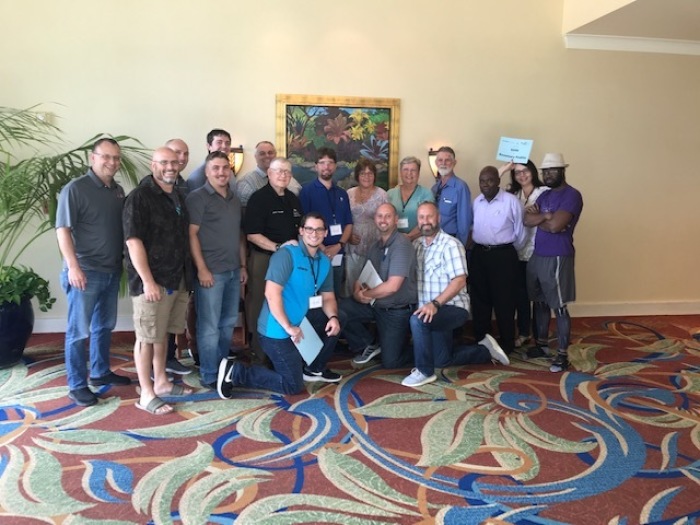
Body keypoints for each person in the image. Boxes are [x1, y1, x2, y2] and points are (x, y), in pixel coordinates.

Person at [216, 213, 342, 397]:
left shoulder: (324, 261)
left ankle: (311, 367)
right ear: (301, 231)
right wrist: (288, 327)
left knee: (340, 317)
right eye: (309, 229)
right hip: (275, 330)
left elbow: (328, 297)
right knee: (292, 385)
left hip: (299, 325)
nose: (314, 234)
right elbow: (271, 294)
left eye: (319, 230)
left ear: (325, 233)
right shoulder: (286, 255)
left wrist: (333, 317)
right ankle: (235, 372)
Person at [55, 138, 130, 407]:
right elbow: (62, 230)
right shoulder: (75, 189)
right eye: (106, 157)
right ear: (92, 157)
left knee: (104, 326)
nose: (111, 162)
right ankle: (77, 385)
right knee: (78, 332)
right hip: (84, 272)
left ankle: (99, 372)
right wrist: (73, 267)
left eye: (116, 158)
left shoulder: (118, 190)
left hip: (110, 270)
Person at [401, 202, 509, 388]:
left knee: (417, 320)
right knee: (442, 360)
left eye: (429, 216)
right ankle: (484, 350)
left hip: (451, 308)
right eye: (421, 217)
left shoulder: (451, 244)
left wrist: (435, 304)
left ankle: (424, 372)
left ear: (439, 218)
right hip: (430, 311)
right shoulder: (417, 245)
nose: (425, 221)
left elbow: (459, 281)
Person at [123, 147, 194, 415]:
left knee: (162, 333)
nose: (170, 167)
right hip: (152, 282)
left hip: (176, 278)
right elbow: (133, 241)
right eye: (164, 162)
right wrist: (148, 281)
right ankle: (147, 393)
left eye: (174, 162)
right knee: (146, 337)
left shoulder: (176, 195)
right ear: (153, 164)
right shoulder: (139, 197)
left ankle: (161, 381)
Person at [185, 151, 247, 389]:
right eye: (216, 168)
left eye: (225, 168)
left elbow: (239, 235)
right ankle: (209, 373)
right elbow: (191, 235)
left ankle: (221, 367)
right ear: (207, 172)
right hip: (211, 272)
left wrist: (242, 265)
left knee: (228, 323)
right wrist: (201, 269)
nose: (221, 172)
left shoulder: (233, 198)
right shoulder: (197, 198)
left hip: (233, 271)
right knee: (209, 326)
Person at [524, 153, 584, 373]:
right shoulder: (545, 195)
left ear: (562, 171)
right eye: (545, 171)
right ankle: (541, 344)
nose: (548, 174)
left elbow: (557, 226)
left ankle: (562, 355)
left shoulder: (572, 195)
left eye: (552, 170)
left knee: (558, 306)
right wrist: (546, 217)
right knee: (539, 302)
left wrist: (545, 218)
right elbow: (527, 220)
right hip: (538, 255)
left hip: (558, 255)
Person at [339, 203, 417, 368]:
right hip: (375, 305)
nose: (383, 220)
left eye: (388, 216)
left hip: (396, 310)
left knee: (391, 362)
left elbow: (393, 286)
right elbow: (361, 278)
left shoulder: (401, 244)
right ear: (375, 219)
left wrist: (365, 295)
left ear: (396, 220)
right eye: (380, 216)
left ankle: (427, 348)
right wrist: (356, 293)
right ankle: (368, 343)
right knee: (338, 309)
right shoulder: (375, 246)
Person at [244, 157, 303, 366]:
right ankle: (259, 353)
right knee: (261, 304)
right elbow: (252, 234)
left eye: (287, 172)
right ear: (269, 173)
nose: (283, 176)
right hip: (265, 259)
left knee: (285, 302)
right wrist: (277, 248)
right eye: (279, 171)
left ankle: (282, 349)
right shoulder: (258, 199)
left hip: (290, 261)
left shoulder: (293, 199)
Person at [470, 166, 526, 356]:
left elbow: (521, 233)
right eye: (482, 181)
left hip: (503, 256)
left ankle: (507, 343)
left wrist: (506, 251)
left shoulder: (511, 202)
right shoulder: (476, 202)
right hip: (479, 255)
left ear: (498, 181)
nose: (485, 184)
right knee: (480, 301)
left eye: (490, 180)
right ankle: (483, 341)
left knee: (505, 301)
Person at [501, 159, 549, 348]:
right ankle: (523, 332)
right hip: (517, 252)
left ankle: (541, 336)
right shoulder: (512, 193)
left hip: (539, 251)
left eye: (525, 171)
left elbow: (550, 217)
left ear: (533, 172)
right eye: (517, 172)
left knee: (539, 297)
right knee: (520, 295)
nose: (522, 175)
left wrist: (534, 215)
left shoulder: (544, 192)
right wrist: (505, 168)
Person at [299, 147, 353, 297]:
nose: (326, 166)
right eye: (322, 163)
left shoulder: (342, 193)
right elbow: (303, 225)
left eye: (330, 163)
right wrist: (323, 248)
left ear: (335, 166)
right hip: (315, 255)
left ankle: (335, 320)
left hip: (339, 255)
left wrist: (339, 246)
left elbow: (349, 223)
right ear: (316, 166)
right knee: (315, 296)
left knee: (336, 295)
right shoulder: (306, 191)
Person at [162, 138, 193, 374]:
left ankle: (170, 358)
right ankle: (158, 365)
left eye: (184, 154)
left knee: (174, 316)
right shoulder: (150, 187)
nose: (180, 159)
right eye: (175, 154)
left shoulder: (183, 186)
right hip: (161, 266)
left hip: (181, 262)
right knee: (158, 319)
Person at [344, 158, 387, 296]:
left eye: (370, 173)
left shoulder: (382, 195)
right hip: (352, 245)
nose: (366, 177)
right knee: (352, 279)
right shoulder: (349, 194)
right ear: (357, 175)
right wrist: (348, 236)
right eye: (363, 173)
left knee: (371, 280)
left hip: (374, 244)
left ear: (374, 175)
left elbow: (388, 220)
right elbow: (343, 218)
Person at [236, 141, 302, 211]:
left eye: (270, 153)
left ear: (275, 155)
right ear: (255, 157)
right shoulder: (246, 182)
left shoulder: (288, 178)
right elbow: (245, 213)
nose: (267, 156)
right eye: (262, 153)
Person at [431, 146, 472, 245]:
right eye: (440, 160)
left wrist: (460, 245)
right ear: (436, 163)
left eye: (447, 160)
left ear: (454, 163)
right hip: (435, 239)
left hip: (452, 240)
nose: (443, 163)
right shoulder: (434, 188)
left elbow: (464, 221)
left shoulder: (460, 187)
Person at [387, 156, 434, 241]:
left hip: (419, 241)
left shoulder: (426, 194)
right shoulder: (390, 194)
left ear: (418, 173)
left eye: (413, 170)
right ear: (400, 172)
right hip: (394, 241)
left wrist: (410, 236)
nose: (409, 173)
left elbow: (428, 220)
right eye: (405, 170)